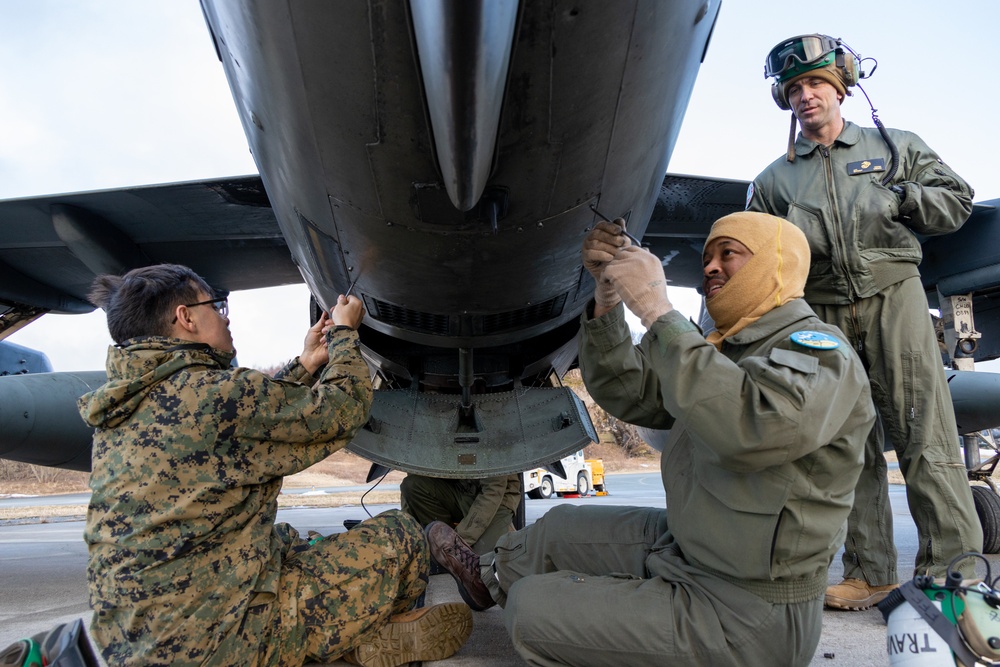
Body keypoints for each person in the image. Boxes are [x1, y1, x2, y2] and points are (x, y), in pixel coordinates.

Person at [425, 212, 876, 666]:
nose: (710, 267)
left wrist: (658, 310)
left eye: (729, 254)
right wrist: (607, 297)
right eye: (707, 257)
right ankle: (487, 578)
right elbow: (630, 391)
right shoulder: (725, 348)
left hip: (748, 608)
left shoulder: (816, 350)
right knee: (554, 530)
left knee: (532, 610)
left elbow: (751, 428)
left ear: (774, 264)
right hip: (689, 549)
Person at [78, 263, 472, 667]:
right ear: (186, 318)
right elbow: (343, 410)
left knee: (282, 539)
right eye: (216, 306)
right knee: (401, 536)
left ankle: (346, 638)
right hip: (215, 644)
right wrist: (344, 334)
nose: (225, 318)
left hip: (130, 643)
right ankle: (359, 639)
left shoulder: (124, 407)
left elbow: (244, 422)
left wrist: (306, 363)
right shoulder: (218, 394)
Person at [747, 34, 983, 610]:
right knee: (846, 443)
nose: (807, 97)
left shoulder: (895, 146)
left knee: (922, 430)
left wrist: (905, 197)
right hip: (821, 307)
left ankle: (954, 573)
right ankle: (869, 571)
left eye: (817, 85)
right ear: (786, 99)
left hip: (894, 295)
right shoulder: (774, 181)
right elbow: (757, 253)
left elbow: (958, 199)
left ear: (841, 88)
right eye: (795, 88)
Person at [400, 473, 521, 555]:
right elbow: (413, 479)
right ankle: (443, 542)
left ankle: (448, 546)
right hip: (462, 492)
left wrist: (458, 541)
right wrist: (407, 538)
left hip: (497, 501)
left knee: (480, 563)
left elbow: (493, 491)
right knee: (412, 484)